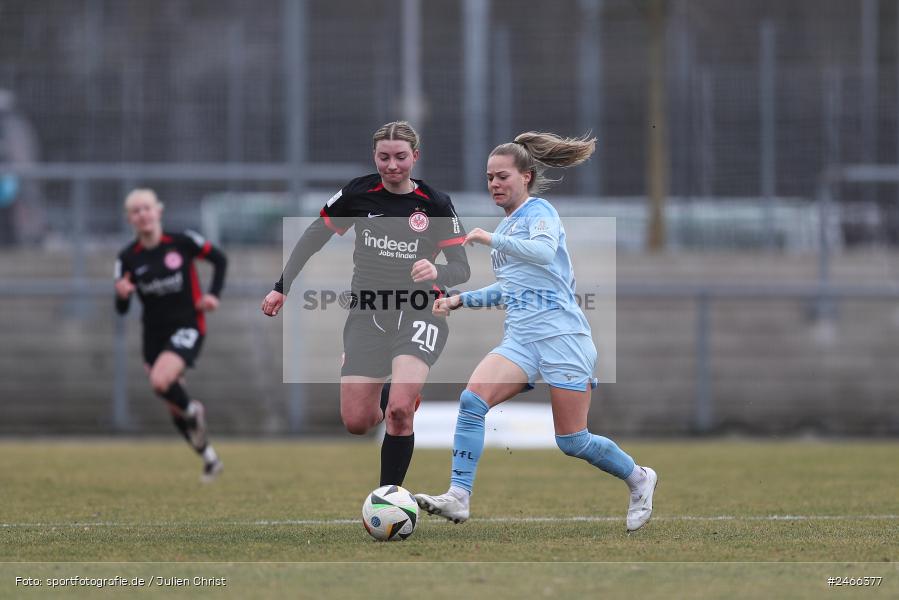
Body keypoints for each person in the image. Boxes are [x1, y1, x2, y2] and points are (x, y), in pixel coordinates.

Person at [414, 132, 658, 532]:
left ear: (526, 177)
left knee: (572, 441)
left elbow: (544, 253)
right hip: (521, 340)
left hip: (563, 337)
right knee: (472, 400)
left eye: (502, 176)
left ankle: (639, 478)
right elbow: (511, 289)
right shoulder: (508, 226)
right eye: (489, 177)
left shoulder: (540, 212)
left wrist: (490, 236)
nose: (494, 184)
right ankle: (459, 496)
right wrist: (459, 300)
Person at [261, 121, 470, 487]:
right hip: (368, 314)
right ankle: (389, 392)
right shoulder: (358, 193)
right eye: (384, 157)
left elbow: (461, 268)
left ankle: (389, 497)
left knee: (400, 413)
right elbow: (313, 237)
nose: (392, 165)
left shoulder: (435, 204)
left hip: (421, 311)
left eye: (401, 157)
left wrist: (435, 271)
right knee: (357, 423)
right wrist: (282, 286)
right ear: (374, 156)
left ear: (415, 157)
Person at [114, 188, 227, 482]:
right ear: (130, 219)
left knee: (161, 381)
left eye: (146, 208)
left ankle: (193, 410)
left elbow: (219, 259)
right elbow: (122, 306)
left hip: (188, 326)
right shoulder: (127, 257)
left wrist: (213, 295)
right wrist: (123, 295)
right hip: (153, 337)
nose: (142, 215)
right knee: (172, 404)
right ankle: (209, 458)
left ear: (158, 211)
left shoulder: (181, 242)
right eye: (136, 211)